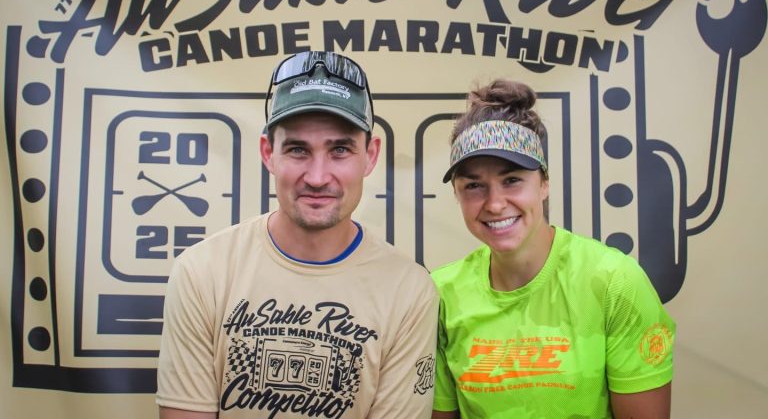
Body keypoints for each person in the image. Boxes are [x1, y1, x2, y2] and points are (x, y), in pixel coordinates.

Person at [157, 51, 439, 418]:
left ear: (370, 156)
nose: (318, 177)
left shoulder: (409, 290)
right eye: (297, 150)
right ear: (268, 153)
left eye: (340, 150)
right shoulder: (202, 272)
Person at [431, 80, 675, 419]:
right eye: (474, 185)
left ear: (544, 183)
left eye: (512, 180)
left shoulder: (614, 282)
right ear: (457, 195)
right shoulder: (442, 294)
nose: (495, 203)